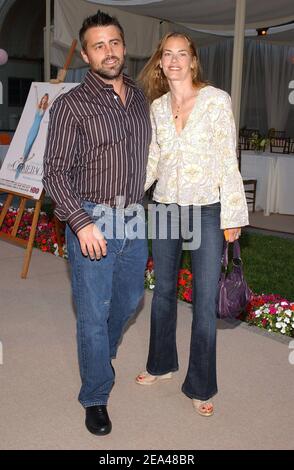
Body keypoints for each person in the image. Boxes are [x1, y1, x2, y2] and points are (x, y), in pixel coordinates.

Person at [43, 10, 151, 435]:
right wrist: (83, 222)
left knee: (127, 303)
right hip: (92, 218)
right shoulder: (71, 105)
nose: (109, 51)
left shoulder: (141, 97)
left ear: (124, 46)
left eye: (115, 42)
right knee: (92, 314)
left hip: (135, 219)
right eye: (99, 45)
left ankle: (100, 352)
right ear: (87, 55)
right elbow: (55, 172)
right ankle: (95, 395)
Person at [135, 32, 249, 417]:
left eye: (182, 54)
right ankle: (161, 364)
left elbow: (226, 159)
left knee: (203, 300)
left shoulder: (216, 101)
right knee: (163, 290)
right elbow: (153, 159)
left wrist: (233, 216)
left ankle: (201, 384)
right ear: (161, 62)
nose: (174, 61)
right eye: (167, 54)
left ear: (193, 61)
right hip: (166, 206)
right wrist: (129, 195)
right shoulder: (158, 107)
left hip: (207, 209)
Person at [15, 87, 64, 180]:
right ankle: (21, 162)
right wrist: (36, 89)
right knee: (27, 144)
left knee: (30, 145)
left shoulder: (45, 107)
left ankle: (22, 163)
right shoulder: (38, 106)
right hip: (32, 128)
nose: (44, 99)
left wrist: (60, 90)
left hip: (36, 128)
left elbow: (53, 98)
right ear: (42, 98)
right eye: (43, 98)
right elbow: (36, 98)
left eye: (45, 99)